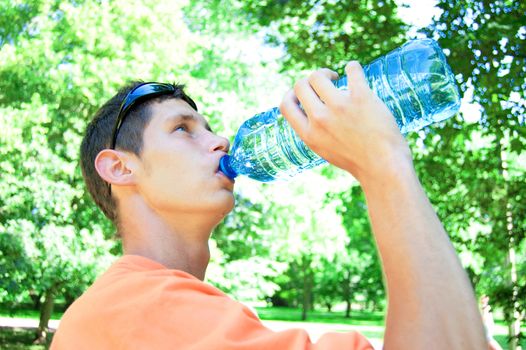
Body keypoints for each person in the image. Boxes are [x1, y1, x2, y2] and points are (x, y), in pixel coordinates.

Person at [51, 62, 486, 349]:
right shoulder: (135, 307)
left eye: (207, 126)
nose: (219, 140)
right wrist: (383, 162)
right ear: (120, 168)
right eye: (182, 129)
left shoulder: (167, 311)